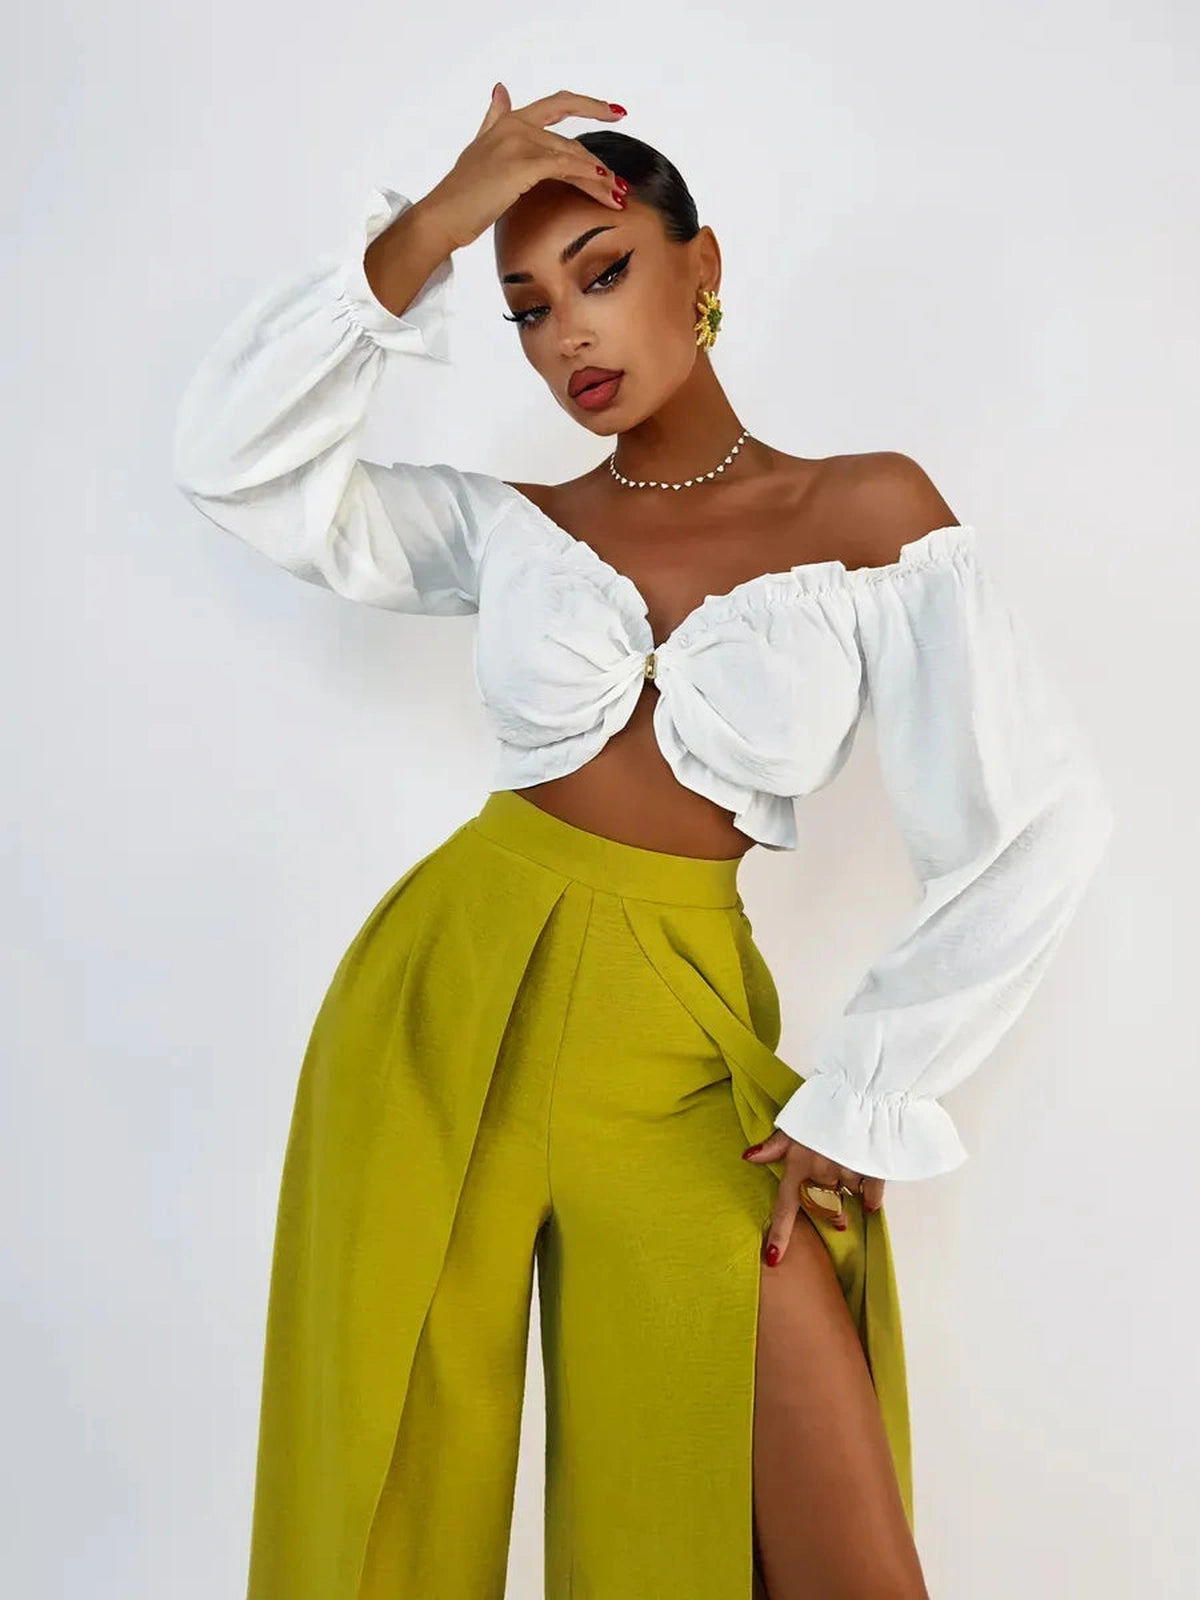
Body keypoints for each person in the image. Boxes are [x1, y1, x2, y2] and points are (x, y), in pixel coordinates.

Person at [171, 82, 1115, 1600]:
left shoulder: (869, 513)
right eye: (527, 310)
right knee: (389, 1487)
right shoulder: (516, 526)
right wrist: (429, 230)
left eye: (600, 273)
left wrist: (867, 1093)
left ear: (702, 264)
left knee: (837, 1552)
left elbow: (1037, 821)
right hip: (442, 1007)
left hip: (678, 1050)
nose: (568, 339)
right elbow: (238, 469)